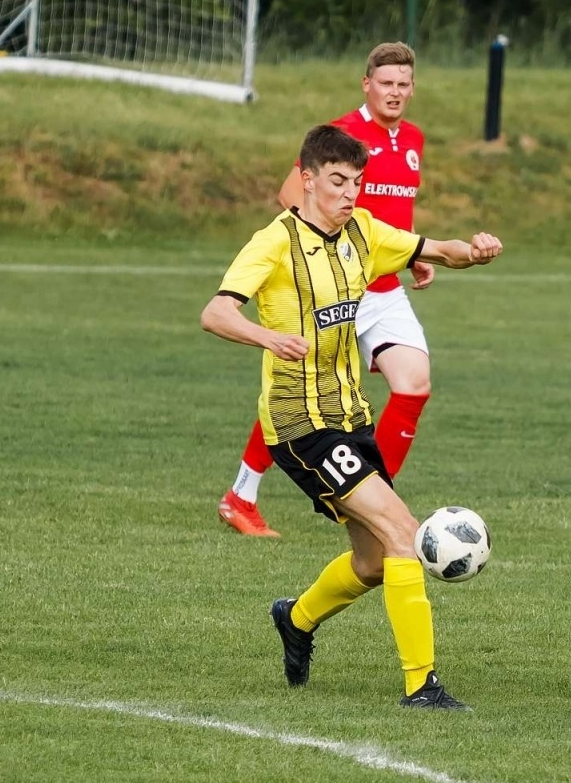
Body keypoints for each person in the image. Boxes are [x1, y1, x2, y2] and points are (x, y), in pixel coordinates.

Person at [201, 125, 503, 709]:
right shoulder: (275, 242)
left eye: (357, 182)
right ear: (307, 180)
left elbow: (437, 250)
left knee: (370, 562)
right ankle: (422, 686)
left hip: (350, 417)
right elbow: (214, 313)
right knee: (400, 535)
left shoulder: (362, 233)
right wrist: (268, 337)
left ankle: (297, 617)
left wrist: (477, 251)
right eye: (338, 182)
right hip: (299, 425)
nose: (349, 194)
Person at [218, 42, 433, 538]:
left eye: (404, 84)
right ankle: (241, 494)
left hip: (382, 285)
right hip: (333, 285)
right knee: (300, 385)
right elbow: (292, 195)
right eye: (386, 83)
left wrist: (414, 254)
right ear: (367, 84)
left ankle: (374, 500)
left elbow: (388, 217)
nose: (395, 92)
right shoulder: (342, 135)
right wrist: (315, 263)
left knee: (415, 382)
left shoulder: (413, 139)